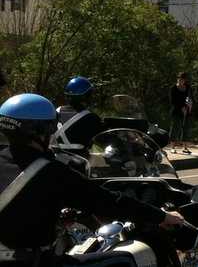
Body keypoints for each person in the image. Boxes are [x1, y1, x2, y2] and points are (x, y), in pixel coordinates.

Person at [0, 94, 185, 264]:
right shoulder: (51, 172)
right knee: (131, 257)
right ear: (43, 130)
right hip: (33, 261)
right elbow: (110, 202)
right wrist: (162, 216)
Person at [52, 76, 104, 153]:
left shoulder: (55, 112)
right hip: (79, 161)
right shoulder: (91, 118)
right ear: (86, 96)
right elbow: (102, 140)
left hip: (54, 158)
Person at [169, 72, 194, 154]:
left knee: (186, 129)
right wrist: (181, 107)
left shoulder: (188, 87)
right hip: (176, 111)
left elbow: (191, 98)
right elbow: (173, 101)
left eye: (183, 79)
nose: (181, 80)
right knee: (175, 128)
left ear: (185, 80)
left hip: (187, 111)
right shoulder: (173, 88)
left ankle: (185, 148)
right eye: (179, 79)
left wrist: (190, 105)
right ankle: (172, 147)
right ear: (178, 79)